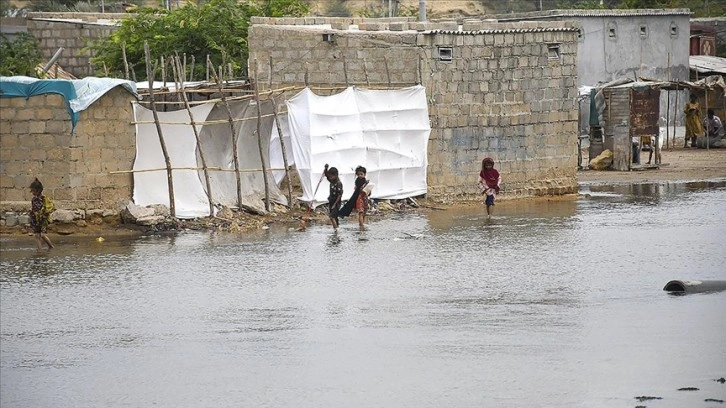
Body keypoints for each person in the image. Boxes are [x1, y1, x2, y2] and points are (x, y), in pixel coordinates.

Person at [338, 165, 370, 230]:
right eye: (358, 174)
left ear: (365, 174)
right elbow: (360, 188)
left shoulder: (363, 181)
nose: (360, 175)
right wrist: (366, 184)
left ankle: (362, 225)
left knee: (364, 213)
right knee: (361, 212)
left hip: (364, 198)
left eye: (361, 174)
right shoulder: (359, 181)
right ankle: (361, 226)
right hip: (359, 198)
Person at [29, 178, 54, 251]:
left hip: (43, 220)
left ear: (38, 190)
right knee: (36, 235)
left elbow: (49, 208)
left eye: (33, 191)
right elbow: (34, 208)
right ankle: (39, 250)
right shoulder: (33, 199)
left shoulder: (44, 199)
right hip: (35, 220)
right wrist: (31, 211)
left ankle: (51, 246)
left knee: (42, 235)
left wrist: (44, 214)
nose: (32, 192)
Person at [324, 164, 343, 231]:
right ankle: (337, 228)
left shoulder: (338, 183)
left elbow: (340, 195)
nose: (330, 177)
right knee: (334, 217)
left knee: (331, 216)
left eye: (331, 176)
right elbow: (326, 175)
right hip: (331, 201)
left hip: (337, 202)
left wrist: (335, 204)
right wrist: (326, 168)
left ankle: (336, 231)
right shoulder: (332, 181)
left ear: (335, 175)